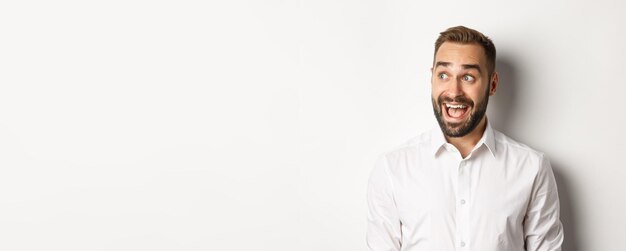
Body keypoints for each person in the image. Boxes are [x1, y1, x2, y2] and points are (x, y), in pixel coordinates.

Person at [366, 26, 564, 251]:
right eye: (443, 75)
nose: (454, 91)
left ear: (492, 84)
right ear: (431, 78)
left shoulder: (532, 168)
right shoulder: (392, 169)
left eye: (468, 77)